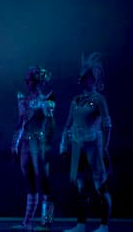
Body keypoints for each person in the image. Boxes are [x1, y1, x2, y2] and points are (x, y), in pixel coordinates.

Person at [60, 52, 112, 232]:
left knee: (100, 184)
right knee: (81, 185)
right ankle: (81, 224)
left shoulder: (98, 99)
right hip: (77, 145)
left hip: (93, 145)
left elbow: (107, 124)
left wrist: (104, 146)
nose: (80, 78)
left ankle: (104, 225)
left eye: (84, 75)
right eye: (80, 75)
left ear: (93, 78)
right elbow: (68, 124)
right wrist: (63, 145)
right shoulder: (76, 100)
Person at [10, 66, 56, 231]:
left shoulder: (46, 100)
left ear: (37, 81)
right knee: (29, 181)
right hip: (26, 144)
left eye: (29, 79)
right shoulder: (24, 100)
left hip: (39, 143)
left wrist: (47, 143)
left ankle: (46, 222)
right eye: (26, 79)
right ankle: (27, 222)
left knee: (43, 181)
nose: (26, 82)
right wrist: (14, 144)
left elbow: (51, 124)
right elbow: (20, 122)